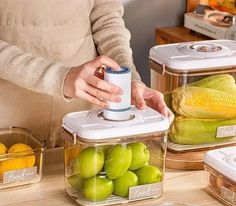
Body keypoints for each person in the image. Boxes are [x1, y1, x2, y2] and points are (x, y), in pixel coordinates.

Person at [0, 0, 173, 147]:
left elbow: (106, 18)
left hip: (85, 119)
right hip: (10, 116)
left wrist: (126, 79)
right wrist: (60, 78)